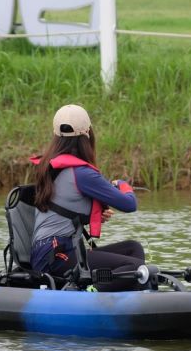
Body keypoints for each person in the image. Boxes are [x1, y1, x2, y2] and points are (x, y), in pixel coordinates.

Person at [31, 104, 145, 291]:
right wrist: (123, 185)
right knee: (134, 268)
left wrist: (93, 214)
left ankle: (124, 293)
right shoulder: (82, 174)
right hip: (56, 256)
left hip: (49, 252)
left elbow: (63, 207)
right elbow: (129, 204)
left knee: (134, 249)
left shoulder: (48, 166)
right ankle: (94, 291)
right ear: (88, 135)